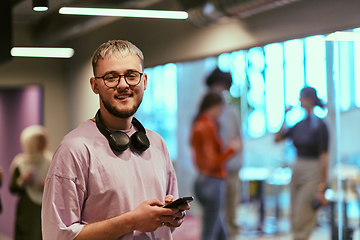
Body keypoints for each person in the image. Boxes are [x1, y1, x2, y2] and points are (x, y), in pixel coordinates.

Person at [41, 40, 190, 240]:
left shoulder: (157, 144)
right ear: (95, 85)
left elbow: (163, 226)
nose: (123, 85)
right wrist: (131, 222)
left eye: (131, 75)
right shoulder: (74, 149)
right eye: (111, 77)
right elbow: (57, 236)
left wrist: (170, 217)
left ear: (144, 81)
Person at [274, 86, 329, 240]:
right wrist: (284, 116)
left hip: (313, 170)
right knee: (294, 214)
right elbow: (277, 139)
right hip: (297, 168)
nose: (299, 100)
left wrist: (322, 187)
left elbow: (325, 157)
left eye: (301, 97)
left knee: (304, 215)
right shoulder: (299, 124)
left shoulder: (321, 125)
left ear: (309, 99)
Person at [191, 92, 242, 240]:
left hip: (205, 180)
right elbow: (211, 162)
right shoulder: (205, 126)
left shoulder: (200, 124)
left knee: (220, 231)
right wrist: (232, 149)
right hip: (211, 181)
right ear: (215, 107)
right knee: (210, 233)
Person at [205, 68, 243, 240]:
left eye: (223, 86)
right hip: (214, 172)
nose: (220, 89)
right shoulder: (205, 116)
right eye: (217, 86)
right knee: (215, 215)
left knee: (232, 212)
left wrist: (237, 161)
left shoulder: (232, 113)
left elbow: (239, 140)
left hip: (232, 170)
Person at [10, 125, 52, 240]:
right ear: (30, 142)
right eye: (39, 140)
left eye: (44, 139)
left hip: (45, 207)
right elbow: (13, 188)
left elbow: (61, 186)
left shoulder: (51, 160)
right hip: (27, 209)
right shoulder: (20, 163)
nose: (43, 143)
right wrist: (22, 181)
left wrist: (48, 185)